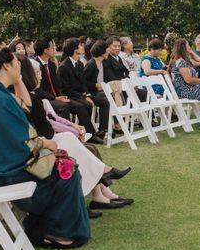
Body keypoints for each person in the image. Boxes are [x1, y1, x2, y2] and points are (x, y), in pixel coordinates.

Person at [0, 47, 90, 249]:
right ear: (6, 65)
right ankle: (56, 232)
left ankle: (46, 226)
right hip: (10, 170)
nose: (20, 65)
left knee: (65, 165)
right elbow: (20, 142)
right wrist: (47, 143)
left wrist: (17, 79)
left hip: (2, 163)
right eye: (16, 63)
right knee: (67, 172)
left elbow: (25, 107)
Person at [17, 54, 131, 218]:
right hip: (40, 147)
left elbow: (52, 121)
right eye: (36, 73)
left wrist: (72, 127)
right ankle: (97, 185)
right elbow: (47, 129)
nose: (40, 76)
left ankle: (101, 194)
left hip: (44, 140)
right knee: (78, 145)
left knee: (89, 148)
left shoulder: (34, 97)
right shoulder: (32, 98)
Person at [34, 37, 104, 144]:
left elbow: (58, 86)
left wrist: (63, 96)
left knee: (86, 104)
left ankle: (85, 133)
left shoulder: (51, 65)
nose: (55, 49)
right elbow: (38, 89)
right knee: (68, 106)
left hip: (58, 96)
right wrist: (56, 98)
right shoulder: (35, 65)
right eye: (53, 47)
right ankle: (73, 135)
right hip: (44, 99)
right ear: (45, 50)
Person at [58, 37, 109, 137]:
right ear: (75, 49)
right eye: (80, 45)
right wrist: (84, 96)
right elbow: (67, 89)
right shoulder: (64, 66)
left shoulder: (80, 64)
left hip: (81, 94)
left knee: (105, 102)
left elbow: (83, 83)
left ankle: (103, 130)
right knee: (84, 105)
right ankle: (90, 134)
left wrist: (87, 94)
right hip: (71, 96)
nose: (83, 46)